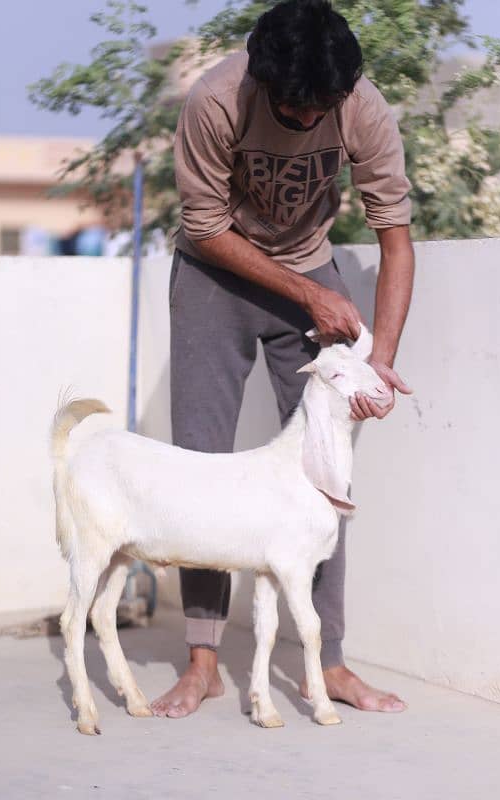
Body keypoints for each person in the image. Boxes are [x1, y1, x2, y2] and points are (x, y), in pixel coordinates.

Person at [151, 0, 414, 719]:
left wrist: (375, 360)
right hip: (213, 275)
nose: (304, 121)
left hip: (308, 271)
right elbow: (204, 227)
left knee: (326, 475)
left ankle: (325, 663)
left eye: (317, 109)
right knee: (200, 461)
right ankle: (202, 661)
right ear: (262, 81)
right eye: (291, 108)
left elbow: (393, 236)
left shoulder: (360, 106)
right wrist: (307, 293)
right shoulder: (215, 99)